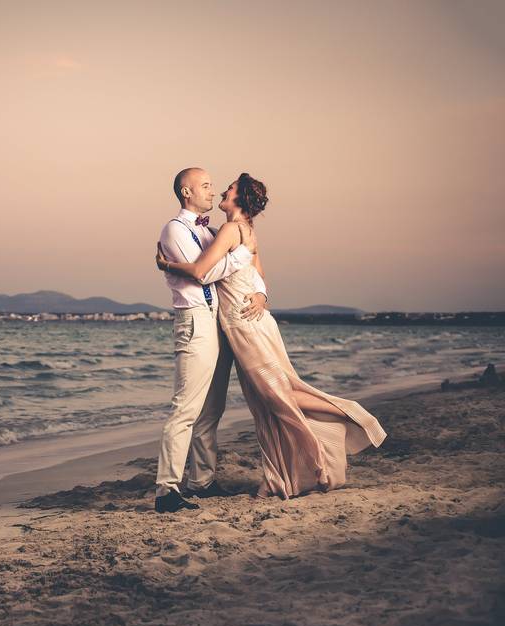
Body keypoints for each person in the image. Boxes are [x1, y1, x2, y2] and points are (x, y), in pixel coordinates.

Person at [156, 173, 387, 498]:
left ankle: (349, 413)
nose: (218, 189)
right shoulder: (201, 230)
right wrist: (255, 284)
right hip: (232, 326)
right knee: (262, 397)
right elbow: (248, 271)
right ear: (186, 191)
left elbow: (205, 272)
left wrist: (167, 265)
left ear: (239, 199)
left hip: (245, 326)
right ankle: (201, 483)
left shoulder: (224, 230)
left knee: (276, 392)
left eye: (225, 188)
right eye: (207, 185)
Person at [153, 167, 269, 513]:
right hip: (194, 323)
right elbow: (205, 272)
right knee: (185, 408)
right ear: (186, 192)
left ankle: (202, 482)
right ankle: (166, 490)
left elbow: (245, 274)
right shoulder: (174, 230)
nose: (211, 190)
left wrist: (261, 294)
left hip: (218, 324)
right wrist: (239, 254)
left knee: (211, 410)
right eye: (204, 186)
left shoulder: (213, 231)